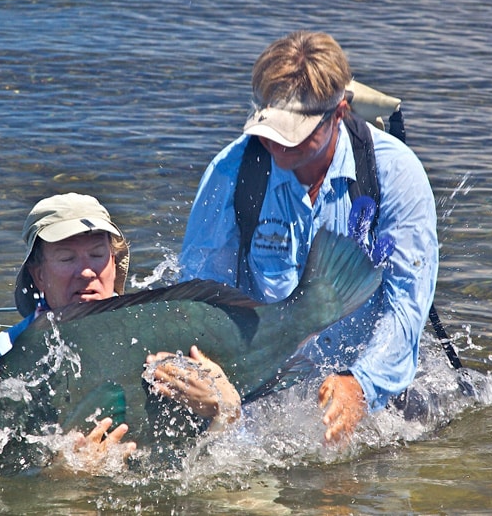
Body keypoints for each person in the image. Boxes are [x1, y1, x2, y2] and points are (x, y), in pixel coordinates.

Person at [151, 31, 438, 445]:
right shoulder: (232, 170)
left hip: (367, 381)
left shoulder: (397, 175)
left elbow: (406, 307)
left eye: (296, 135)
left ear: (339, 112)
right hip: (264, 385)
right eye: (269, 128)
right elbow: (200, 298)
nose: (275, 145)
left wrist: (361, 385)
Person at [0, 193, 137, 470]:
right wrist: (62, 476)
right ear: (39, 275)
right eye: (66, 258)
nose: (87, 272)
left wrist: (222, 409)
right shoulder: (4, 353)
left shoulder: (156, 330)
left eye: (98, 255)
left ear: (114, 262)